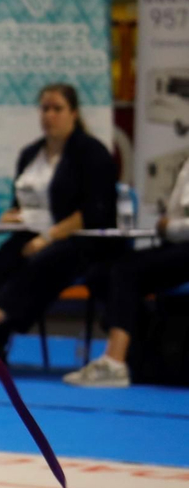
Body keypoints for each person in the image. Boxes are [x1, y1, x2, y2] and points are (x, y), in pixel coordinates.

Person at [0, 83, 118, 375]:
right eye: (45, 109)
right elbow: (21, 203)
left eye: (57, 109)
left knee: (40, 262)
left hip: (81, 242)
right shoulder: (30, 153)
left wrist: (48, 237)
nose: (49, 115)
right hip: (35, 235)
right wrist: (13, 216)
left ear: (73, 113)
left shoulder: (92, 152)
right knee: (4, 258)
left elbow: (94, 211)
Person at [64, 154, 189, 387]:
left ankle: (115, 361)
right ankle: (142, 355)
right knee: (100, 274)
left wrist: (169, 226)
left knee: (127, 271)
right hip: (176, 244)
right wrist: (166, 224)